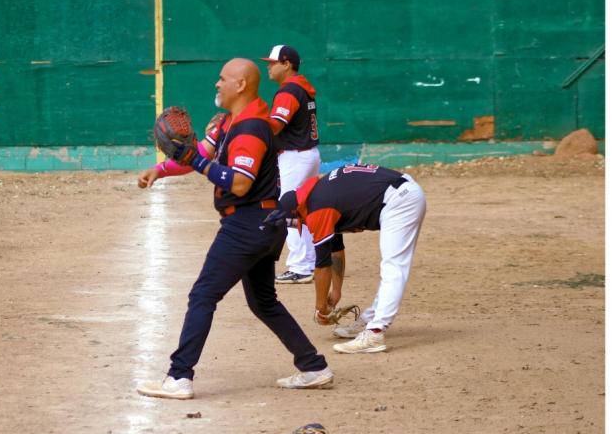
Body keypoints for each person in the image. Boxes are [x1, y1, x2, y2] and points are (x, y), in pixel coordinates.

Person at [135, 58, 334, 399]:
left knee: (203, 295)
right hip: (261, 225)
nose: (217, 83)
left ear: (240, 84)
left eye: (222, 78)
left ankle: (179, 377)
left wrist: (196, 163)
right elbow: (198, 152)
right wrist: (162, 169)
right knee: (264, 302)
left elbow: (240, 183)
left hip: (247, 225)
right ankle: (314, 366)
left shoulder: (251, 128)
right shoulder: (233, 121)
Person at [264, 163, 426, 353]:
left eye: (299, 223)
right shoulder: (320, 194)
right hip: (402, 193)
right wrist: (336, 292)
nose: (304, 226)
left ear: (296, 212)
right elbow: (336, 250)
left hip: (400, 201)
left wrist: (320, 307)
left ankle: (375, 333)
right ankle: (370, 320)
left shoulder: (318, 209)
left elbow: (322, 265)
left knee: (394, 267)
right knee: (392, 266)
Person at [260, 44, 345, 285]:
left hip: (294, 158)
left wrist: (254, 126)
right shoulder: (302, 88)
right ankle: (309, 261)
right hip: (308, 155)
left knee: (288, 209)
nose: (268, 66)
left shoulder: (288, 91)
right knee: (303, 210)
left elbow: (275, 125)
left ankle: (301, 266)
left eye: (272, 62)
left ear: (286, 64)